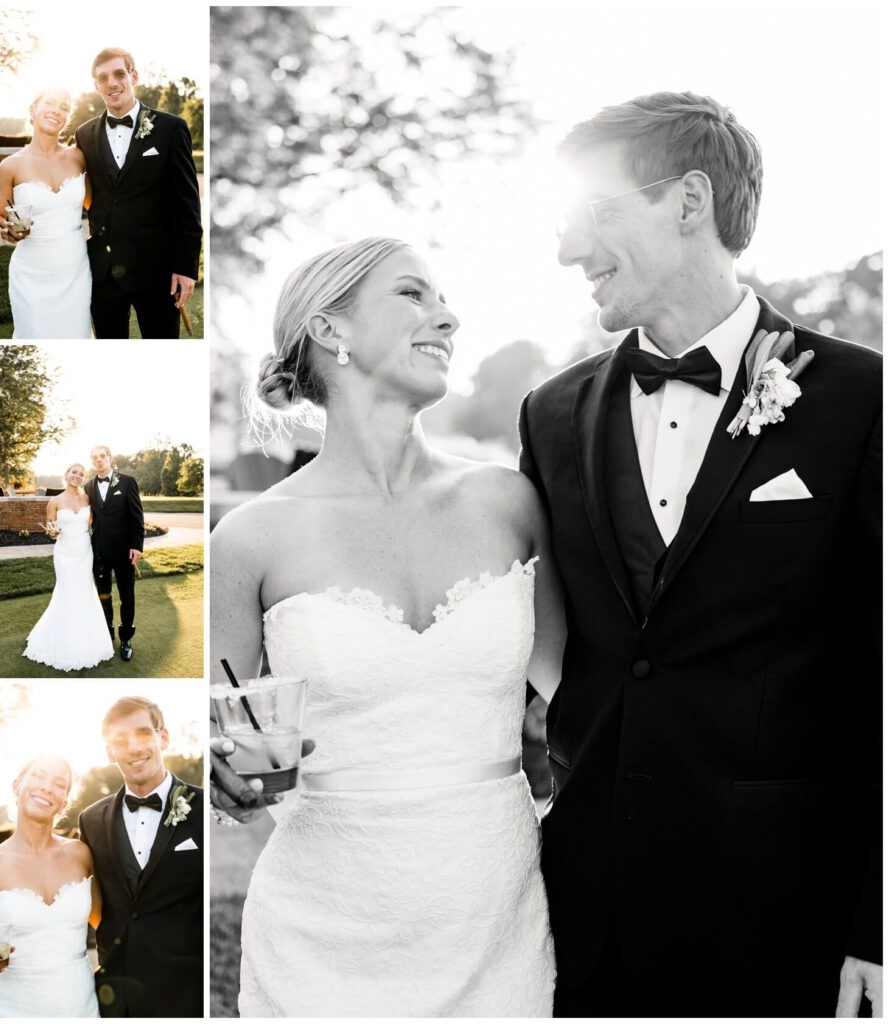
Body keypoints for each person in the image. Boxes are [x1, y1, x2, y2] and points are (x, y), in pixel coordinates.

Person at [520, 90, 882, 1017]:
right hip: (586, 919)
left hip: (786, 922)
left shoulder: (860, 401)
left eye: (594, 216)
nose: (567, 252)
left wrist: (874, 927)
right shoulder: (549, 416)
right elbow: (526, 644)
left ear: (688, 202)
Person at [210, 237, 565, 1016]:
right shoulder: (248, 541)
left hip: (494, 921)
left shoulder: (508, 504)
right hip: (319, 933)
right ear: (331, 330)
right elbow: (221, 739)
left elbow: (589, 701)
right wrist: (220, 779)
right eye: (413, 294)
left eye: (441, 299)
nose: (447, 316)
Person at [78, 697, 203, 1018]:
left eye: (144, 733)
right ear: (109, 751)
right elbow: (84, 901)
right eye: (120, 741)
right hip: (115, 996)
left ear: (163, 737)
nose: (133, 748)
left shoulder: (204, 808)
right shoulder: (90, 821)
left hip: (186, 994)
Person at [75, 47, 202, 339]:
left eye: (119, 74)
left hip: (158, 272)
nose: (112, 83)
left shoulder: (171, 128)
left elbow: (188, 204)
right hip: (104, 273)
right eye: (103, 78)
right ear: (96, 85)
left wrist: (185, 267)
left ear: (134, 76)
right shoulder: (84, 134)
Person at [0, 755, 101, 1017]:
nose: (47, 787)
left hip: (80, 1007)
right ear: (16, 786)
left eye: (59, 784)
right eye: (37, 775)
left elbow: (106, 927)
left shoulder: (81, 854)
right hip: (9, 1010)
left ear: (63, 803)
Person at [0, 88, 92, 339]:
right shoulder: (10, 165)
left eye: (64, 107)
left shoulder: (78, 157)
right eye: (50, 103)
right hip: (30, 273)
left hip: (75, 269)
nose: (57, 110)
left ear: (67, 118)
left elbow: (96, 203)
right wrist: (4, 230)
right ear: (33, 110)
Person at [23, 462, 114, 671]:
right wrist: (52, 533)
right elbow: (51, 529)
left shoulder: (87, 498)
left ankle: (88, 639)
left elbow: (93, 522)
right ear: (66, 475)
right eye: (74, 472)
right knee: (66, 592)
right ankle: (63, 641)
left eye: (81, 474)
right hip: (64, 554)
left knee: (84, 592)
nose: (78, 476)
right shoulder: (54, 502)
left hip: (84, 551)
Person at [85, 446, 144, 661]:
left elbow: (137, 516)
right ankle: (107, 635)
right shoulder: (88, 486)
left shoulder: (127, 482)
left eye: (102, 456)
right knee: (104, 596)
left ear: (110, 458)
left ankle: (126, 638)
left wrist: (136, 545)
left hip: (124, 551)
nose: (99, 460)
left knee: (127, 596)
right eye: (94, 458)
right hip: (98, 551)